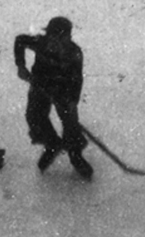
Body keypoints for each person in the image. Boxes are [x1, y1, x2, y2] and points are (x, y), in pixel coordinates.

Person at [14, 15, 93, 179]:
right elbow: (20, 41)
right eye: (51, 37)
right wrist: (21, 66)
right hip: (39, 85)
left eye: (60, 38)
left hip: (63, 91)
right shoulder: (40, 43)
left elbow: (77, 80)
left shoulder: (74, 53)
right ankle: (52, 144)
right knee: (34, 116)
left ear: (67, 38)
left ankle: (75, 156)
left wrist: (71, 101)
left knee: (70, 125)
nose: (54, 42)